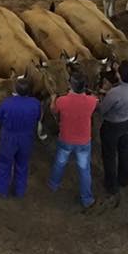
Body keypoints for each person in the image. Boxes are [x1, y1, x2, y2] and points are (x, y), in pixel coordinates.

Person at [47, 73, 98, 208]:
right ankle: (87, 198)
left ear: (70, 85)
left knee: (60, 162)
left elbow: (53, 110)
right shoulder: (92, 101)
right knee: (84, 169)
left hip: (66, 138)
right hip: (83, 141)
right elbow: (95, 101)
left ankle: (53, 184)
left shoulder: (62, 101)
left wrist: (53, 99)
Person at [0, 76, 42, 199]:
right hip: (26, 138)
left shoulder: (7, 103)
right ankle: (20, 191)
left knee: (4, 163)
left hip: (9, 138)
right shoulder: (35, 103)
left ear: (16, 90)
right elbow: (38, 117)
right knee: (22, 164)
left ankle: (2, 189)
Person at [99, 61, 128, 196]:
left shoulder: (114, 93)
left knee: (109, 155)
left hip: (112, 126)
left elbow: (102, 110)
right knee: (124, 153)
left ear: (120, 76)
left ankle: (111, 185)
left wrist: (102, 96)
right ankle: (123, 179)